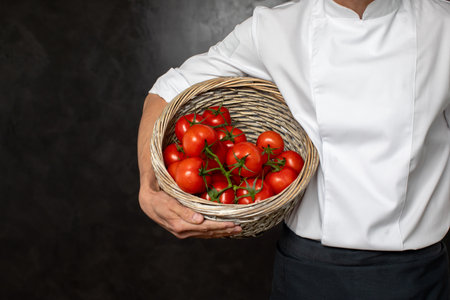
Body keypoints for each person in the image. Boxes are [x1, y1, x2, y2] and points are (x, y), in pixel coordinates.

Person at [138, 0, 450, 298]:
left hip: (415, 275)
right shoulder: (276, 28)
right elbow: (169, 89)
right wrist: (148, 186)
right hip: (307, 273)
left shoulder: (442, 24)